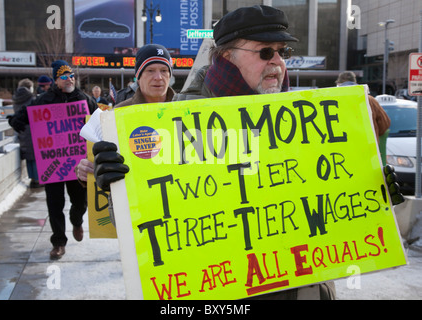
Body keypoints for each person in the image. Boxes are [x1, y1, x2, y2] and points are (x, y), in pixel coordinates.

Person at [91, 5, 404, 299]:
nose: (278, 62)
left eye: (283, 53)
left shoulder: (305, 119)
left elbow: (326, 202)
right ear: (227, 55)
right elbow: (149, 231)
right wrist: (118, 189)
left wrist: (371, 191)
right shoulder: (177, 122)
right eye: (265, 52)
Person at [8, 60, 98, 260]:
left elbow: (99, 122)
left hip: (77, 165)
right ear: (56, 80)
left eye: (71, 75)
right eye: (64, 76)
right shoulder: (44, 100)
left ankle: (76, 221)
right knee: (54, 204)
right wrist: (16, 121)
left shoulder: (84, 99)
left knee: (80, 202)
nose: (69, 79)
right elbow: (23, 116)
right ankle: (58, 242)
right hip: (53, 165)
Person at [75, 43, 174, 185]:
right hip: (135, 202)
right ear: (138, 77)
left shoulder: (189, 111)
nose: (158, 77)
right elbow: (96, 163)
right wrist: (85, 170)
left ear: (170, 75)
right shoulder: (116, 115)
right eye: (150, 70)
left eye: (164, 70)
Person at [335, 71, 391, 143]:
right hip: (368, 148)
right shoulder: (370, 100)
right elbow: (384, 124)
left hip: (341, 150)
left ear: (338, 84)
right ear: (355, 83)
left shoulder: (332, 102)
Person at [10, 78, 40, 188]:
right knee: (36, 155)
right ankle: (37, 179)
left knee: (29, 156)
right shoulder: (31, 99)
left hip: (21, 129)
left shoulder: (16, 99)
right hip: (33, 129)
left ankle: (32, 177)